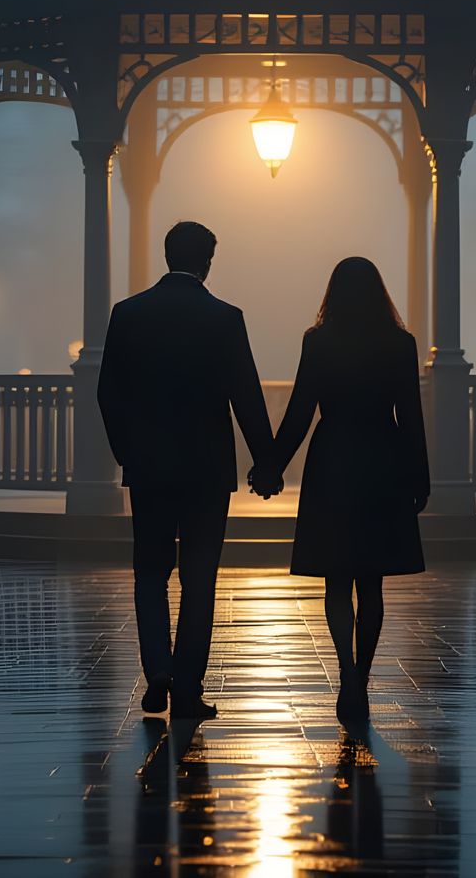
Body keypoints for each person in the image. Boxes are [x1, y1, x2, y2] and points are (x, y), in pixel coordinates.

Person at [98, 220, 274, 719]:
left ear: (166, 253)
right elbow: (246, 395)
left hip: (150, 467)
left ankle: (157, 669)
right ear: (207, 262)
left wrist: (127, 452)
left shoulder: (128, 314)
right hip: (206, 470)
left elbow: (108, 393)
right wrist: (265, 461)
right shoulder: (225, 318)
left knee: (150, 573)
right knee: (200, 579)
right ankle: (188, 688)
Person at [253, 256, 429, 721]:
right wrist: (420, 476)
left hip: (333, 459)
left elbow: (300, 411)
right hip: (383, 458)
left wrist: (270, 466)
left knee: (337, 578)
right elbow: (410, 414)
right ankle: (364, 677)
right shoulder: (400, 344)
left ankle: (346, 672)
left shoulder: (319, 341)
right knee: (372, 581)